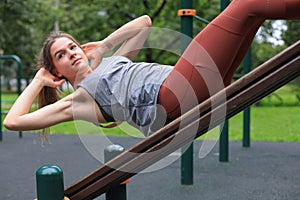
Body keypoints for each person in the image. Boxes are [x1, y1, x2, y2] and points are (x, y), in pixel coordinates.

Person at [4, 0, 300, 137]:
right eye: (61, 55)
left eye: (72, 46)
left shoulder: (113, 63)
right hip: (171, 96)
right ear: (56, 70)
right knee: (245, 5)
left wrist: (106, 44)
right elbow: (13, 122)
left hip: (184, 88)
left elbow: (144, 22)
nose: (71, 53)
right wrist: (39, 80)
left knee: (252, 15)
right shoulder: (79, 100)